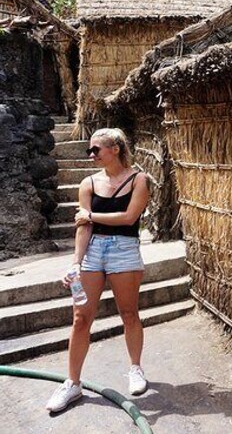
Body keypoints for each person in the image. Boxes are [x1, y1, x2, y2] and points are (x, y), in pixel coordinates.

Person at [45, 127, 150, 413]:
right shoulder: (88, 182)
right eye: (89, 150)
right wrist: (75, 262)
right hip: (93, 250)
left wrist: (90, 215)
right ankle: (72, 383)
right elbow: (84, 226)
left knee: (128, 312)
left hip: (124, 248)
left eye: (96, 150)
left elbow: (129, 218)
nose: (91, 155)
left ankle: (135, 369)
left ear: (115, 149)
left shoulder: (138, 179)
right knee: (81, 318)